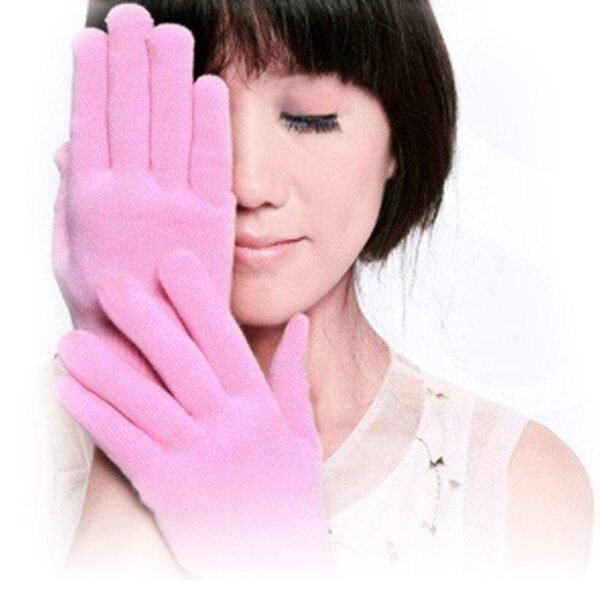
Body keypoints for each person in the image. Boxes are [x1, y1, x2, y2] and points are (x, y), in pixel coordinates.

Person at [40, 0, 594, 577]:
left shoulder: (515, 487)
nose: (248, 184)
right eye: (193, 115)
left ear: (398, 138)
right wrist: (137, 380)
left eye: (309, 118)